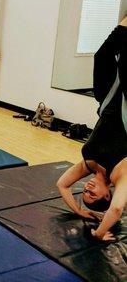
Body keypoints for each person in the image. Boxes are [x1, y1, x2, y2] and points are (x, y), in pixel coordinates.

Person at [57, 15, 127, 241]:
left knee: (103, 55)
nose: (86, 189)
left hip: (107, 99)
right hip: (126, 104)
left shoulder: (88, 165)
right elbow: (116, 210)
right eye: (92, 195)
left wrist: (78, 210)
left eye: (84, 193)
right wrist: (98, 233)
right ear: (107, 194)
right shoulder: (121, 175)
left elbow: (62, 185)